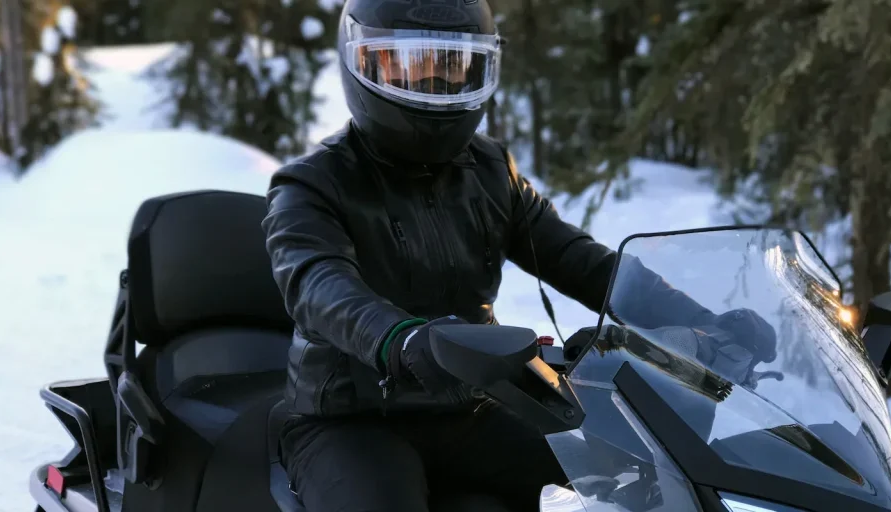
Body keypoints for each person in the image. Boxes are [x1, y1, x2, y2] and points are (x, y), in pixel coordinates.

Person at [261, 1, 774, 511]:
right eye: (409, 66)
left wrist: (706, 322)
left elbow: (579, 260)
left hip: (467, 404)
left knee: (621, 474)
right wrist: (399, 338)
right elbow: (318, 283)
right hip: (350, 420)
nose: (434, 84)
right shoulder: (311, 184)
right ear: (361, 64)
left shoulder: (488, 170)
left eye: (453, 66)